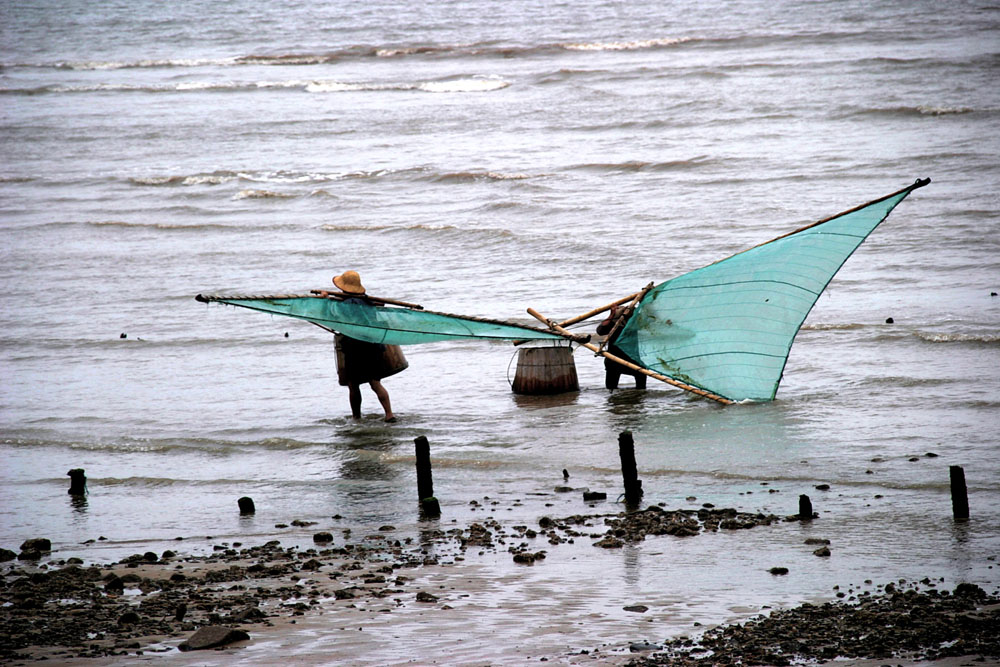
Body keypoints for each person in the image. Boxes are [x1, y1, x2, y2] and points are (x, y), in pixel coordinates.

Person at [326, 270, 407, 422]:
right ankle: (389, 414)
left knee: (353, 384)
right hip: (372, 346)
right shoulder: (367, 301)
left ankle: (356, 417)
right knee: (375, 383)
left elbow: (335, 315)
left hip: (355, 348)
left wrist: (326, 300)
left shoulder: (347, 303)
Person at [596, 305, 647, 391]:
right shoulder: (613, 325)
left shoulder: (634, 325)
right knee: (611, 388)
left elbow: (647, 318)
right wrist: (611, 315)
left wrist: (641, 302)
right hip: (614, 360)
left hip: (632, 359)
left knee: (641, 387)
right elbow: (600, 331)